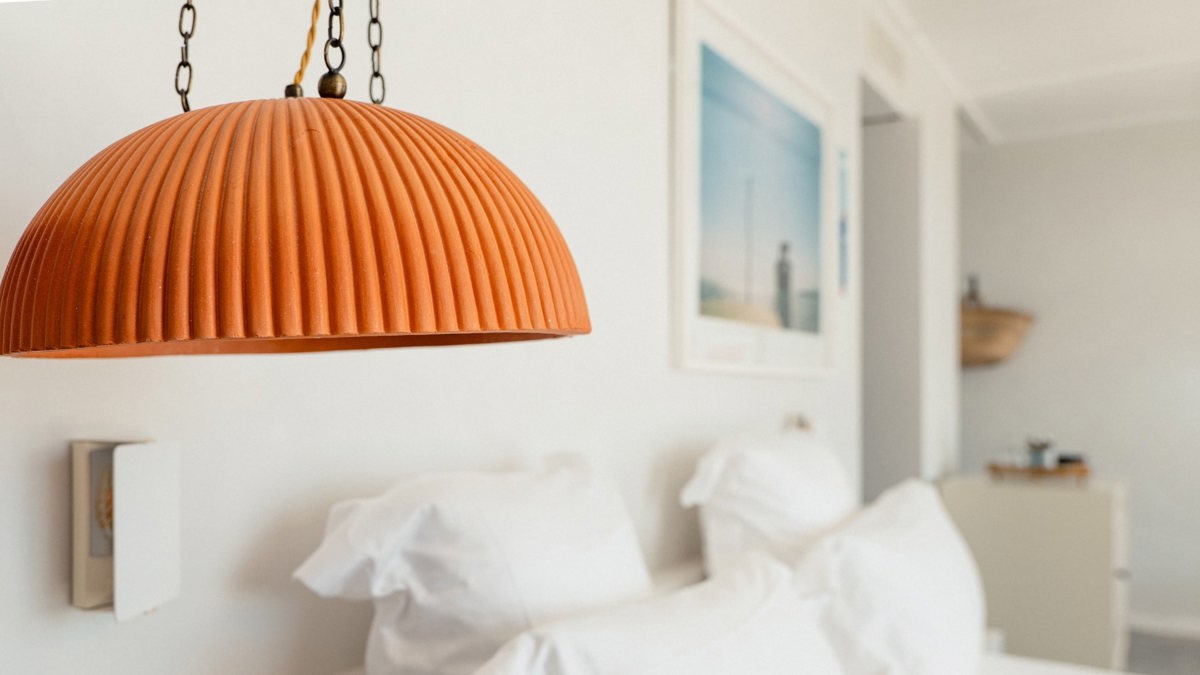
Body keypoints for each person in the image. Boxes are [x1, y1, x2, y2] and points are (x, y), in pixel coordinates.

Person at [775, 241, 792, 329]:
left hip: (786, 291)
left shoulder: (786, 264)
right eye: (784, 250)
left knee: (785, 314)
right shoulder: (780, 264)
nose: (785, 252)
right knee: (780, 314)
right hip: (781, 290)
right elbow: (778, 276)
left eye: (785, 250)